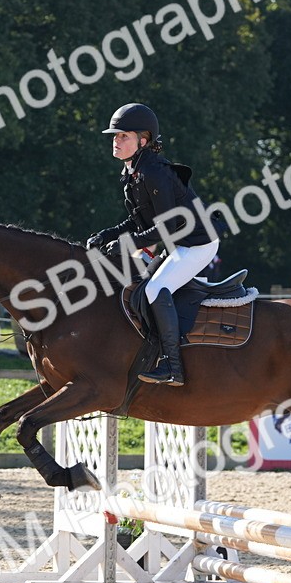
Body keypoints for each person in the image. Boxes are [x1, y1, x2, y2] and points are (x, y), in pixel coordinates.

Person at [86, 103, 219, 387]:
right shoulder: (134, 172)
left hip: (198, 243)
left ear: (143, 141)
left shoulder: (155, 172)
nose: (116, 140)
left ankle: (173, 366)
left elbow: (166, 227)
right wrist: (107, 235)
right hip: (178, 243)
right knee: (142, 287)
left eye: (123, 136)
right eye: (115, 135)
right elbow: (139, 221)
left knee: (158, 289)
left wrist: (127, 244)